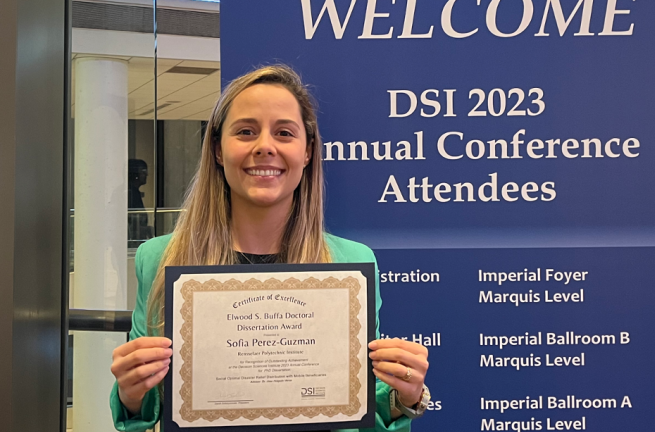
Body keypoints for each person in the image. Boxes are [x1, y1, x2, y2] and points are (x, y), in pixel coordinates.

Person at [109, 65, 431, 432]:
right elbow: (145, 412)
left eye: (284, 132)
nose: (264, 146)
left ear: (308, 152)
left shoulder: (352, 263)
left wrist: (403, 398)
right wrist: (131, 394)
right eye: (245, 131)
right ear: (217, 149)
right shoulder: (160, 259)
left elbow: (362, 416)